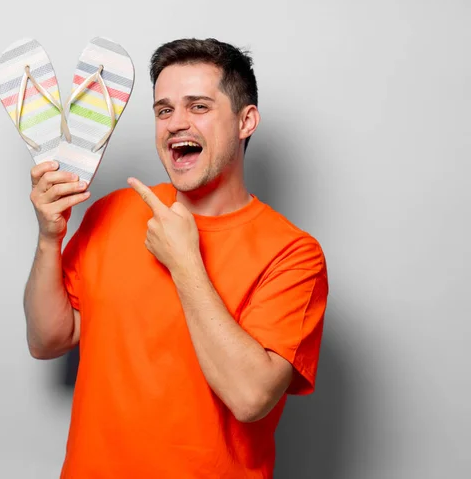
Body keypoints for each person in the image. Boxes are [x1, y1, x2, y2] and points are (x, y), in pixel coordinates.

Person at [23, 38, 329, 478]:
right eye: (164, 110)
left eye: (198, 107)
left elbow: (251, 398)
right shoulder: (114, 212)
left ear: (246, 121)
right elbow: (47, 341)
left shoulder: (293, 254)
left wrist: (185, 262)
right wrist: (50, 238)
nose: (175, 123)